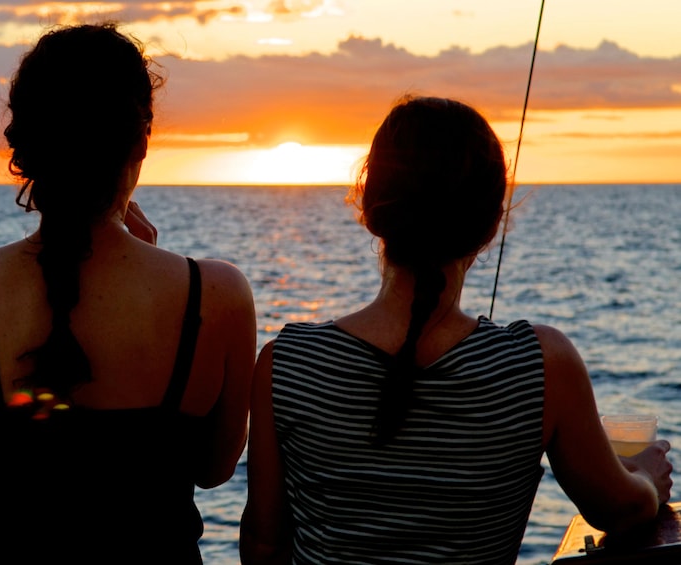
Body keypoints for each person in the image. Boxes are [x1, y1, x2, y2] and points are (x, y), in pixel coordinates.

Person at [0, 24, 256, 564]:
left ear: (25, 145)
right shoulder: (216, 295)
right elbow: (211, 468)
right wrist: (157, 264)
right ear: (140, 139)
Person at [239, 95, 673, 564]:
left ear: (369, 207)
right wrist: (646, 479)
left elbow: (265, 547)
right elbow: (619, 508)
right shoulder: (541, 364)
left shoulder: (285, 364)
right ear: (490, 225)